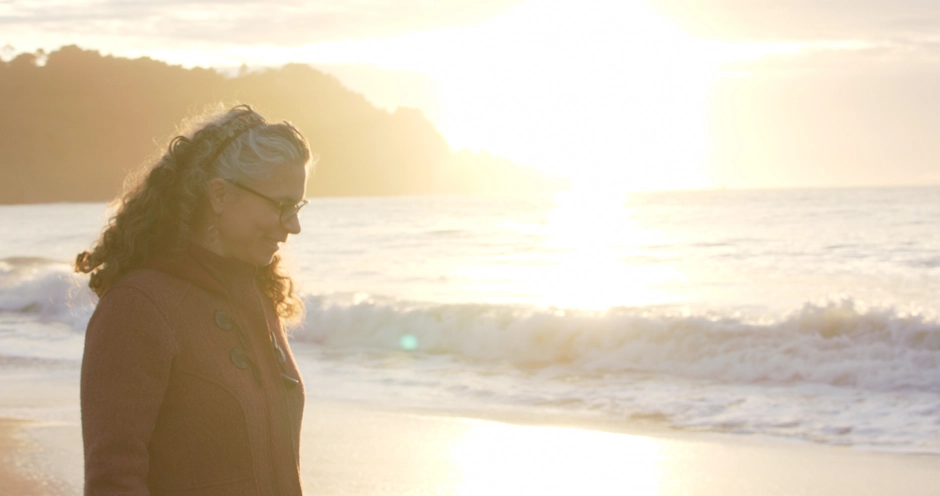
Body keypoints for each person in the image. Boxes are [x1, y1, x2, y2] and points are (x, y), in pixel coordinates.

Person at [75, 104, 313, 495]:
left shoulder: (258, 297)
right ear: (219, 194)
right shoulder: (139, 306)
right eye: (281, 205)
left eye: (298, 207)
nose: (294, 226)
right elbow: (113, 480)